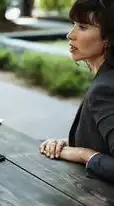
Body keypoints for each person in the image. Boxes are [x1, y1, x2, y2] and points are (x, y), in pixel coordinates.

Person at [40, 0, 114, 183]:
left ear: (109, 38)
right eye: (72, 25)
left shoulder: (104, 89)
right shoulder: (107, 79)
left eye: (82, 27)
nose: (70, 35)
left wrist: (83, 154)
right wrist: (68, 143)